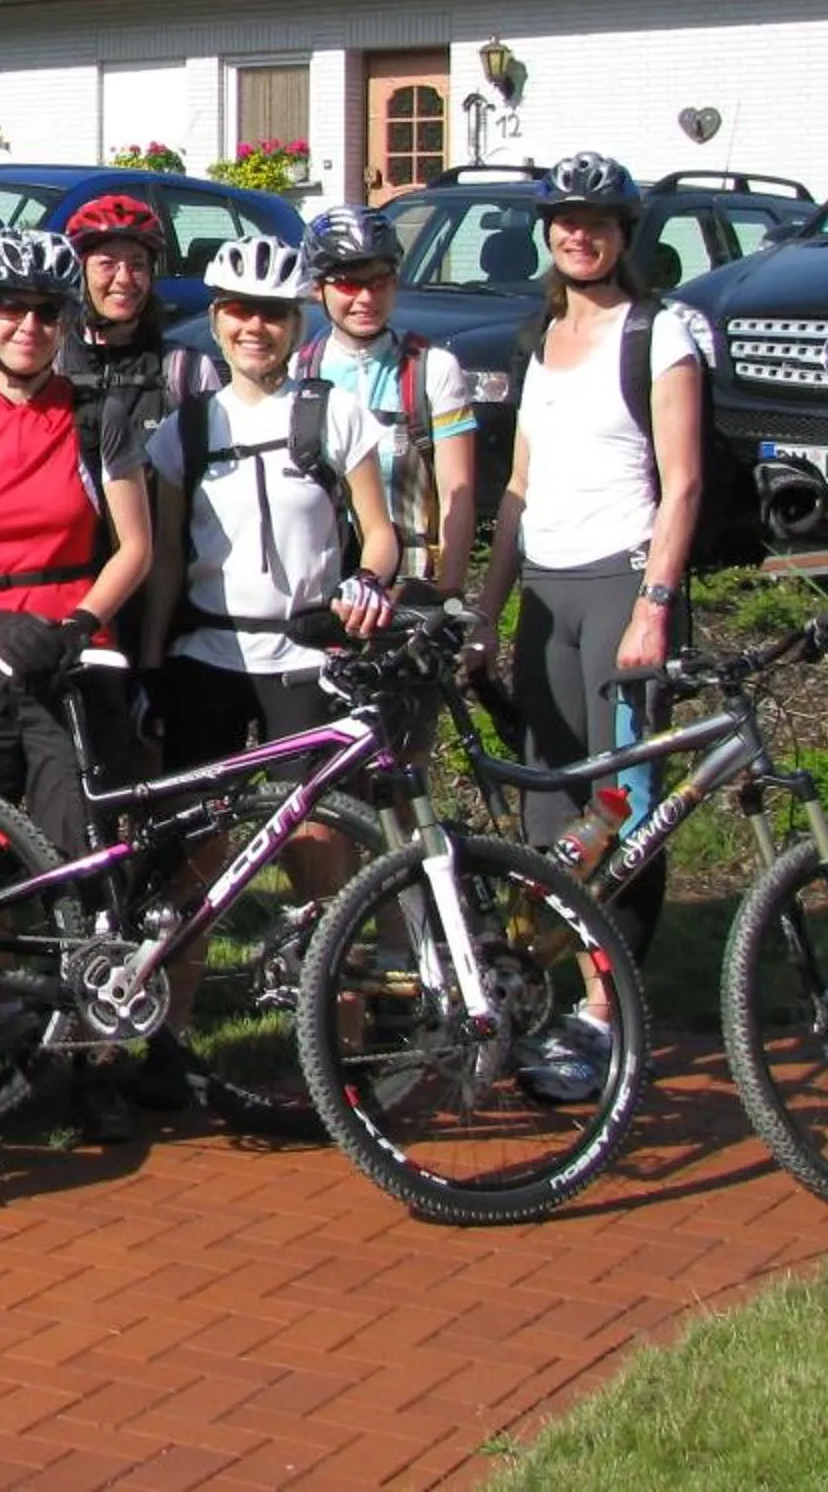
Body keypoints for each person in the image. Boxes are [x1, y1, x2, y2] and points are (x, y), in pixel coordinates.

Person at [0, 227, 155, 1140]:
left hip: (72, 662)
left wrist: (80, 623)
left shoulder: (99, 416)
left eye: (46, 312)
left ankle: (93, 1056)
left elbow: (134, 545)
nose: (29, 327)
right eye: (11, 309)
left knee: (83, 856)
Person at [466, 152, 703, 1093]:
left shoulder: (661, 331)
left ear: (625, 231)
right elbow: (519, 486)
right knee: (549, 813)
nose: (579, 233)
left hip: (623, 582)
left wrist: (655, 605)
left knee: (621, 814)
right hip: (548, 593)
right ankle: (550, 999)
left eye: (597, 220)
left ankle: (608, 1017)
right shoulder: (544, 335)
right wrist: (488, 607)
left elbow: (682, 481)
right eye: (564, 220)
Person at [141, 236, 399, 753]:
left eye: (273, 314)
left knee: (319, 830)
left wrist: (368, 580)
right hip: (206, 655)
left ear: (296, 326)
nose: (255, 328)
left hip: (306, 656)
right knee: (199, 829)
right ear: (216, 320)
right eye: (239, 311)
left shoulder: (335, 412)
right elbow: (168, 556)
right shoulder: (184, 429)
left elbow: (378, 531)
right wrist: (148, 667)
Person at [299, 204, 477, 597]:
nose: (366, 297)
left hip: (409, 591)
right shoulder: (299, 372)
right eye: (347, 283)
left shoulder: (432, 369)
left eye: (380, 281)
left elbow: (456, 495)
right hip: (318, 589)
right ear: (318, 288)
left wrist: (447, 596)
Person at [59, 193, 223, 453]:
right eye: (107, 264)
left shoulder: (186, 370)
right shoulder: (53, 365)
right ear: (81, 274)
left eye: (137, 265)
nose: (124, 279)